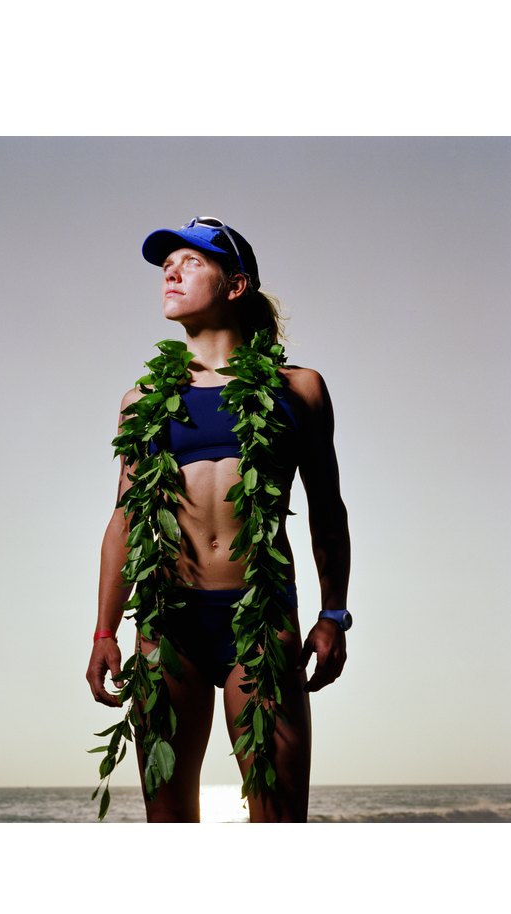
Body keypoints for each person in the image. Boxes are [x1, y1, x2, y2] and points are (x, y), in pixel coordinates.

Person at [86, 216, 351, 823]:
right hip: (167, 622)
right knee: (169, 821)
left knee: (278, 817)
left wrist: (333, 613)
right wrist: (104, 630)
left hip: (260, 622)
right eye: (166, 264)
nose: (171, 271)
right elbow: (124, 519)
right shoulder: (141, 402)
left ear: (235, 285)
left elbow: (327, 509)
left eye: (192, 262)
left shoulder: (300, 388)